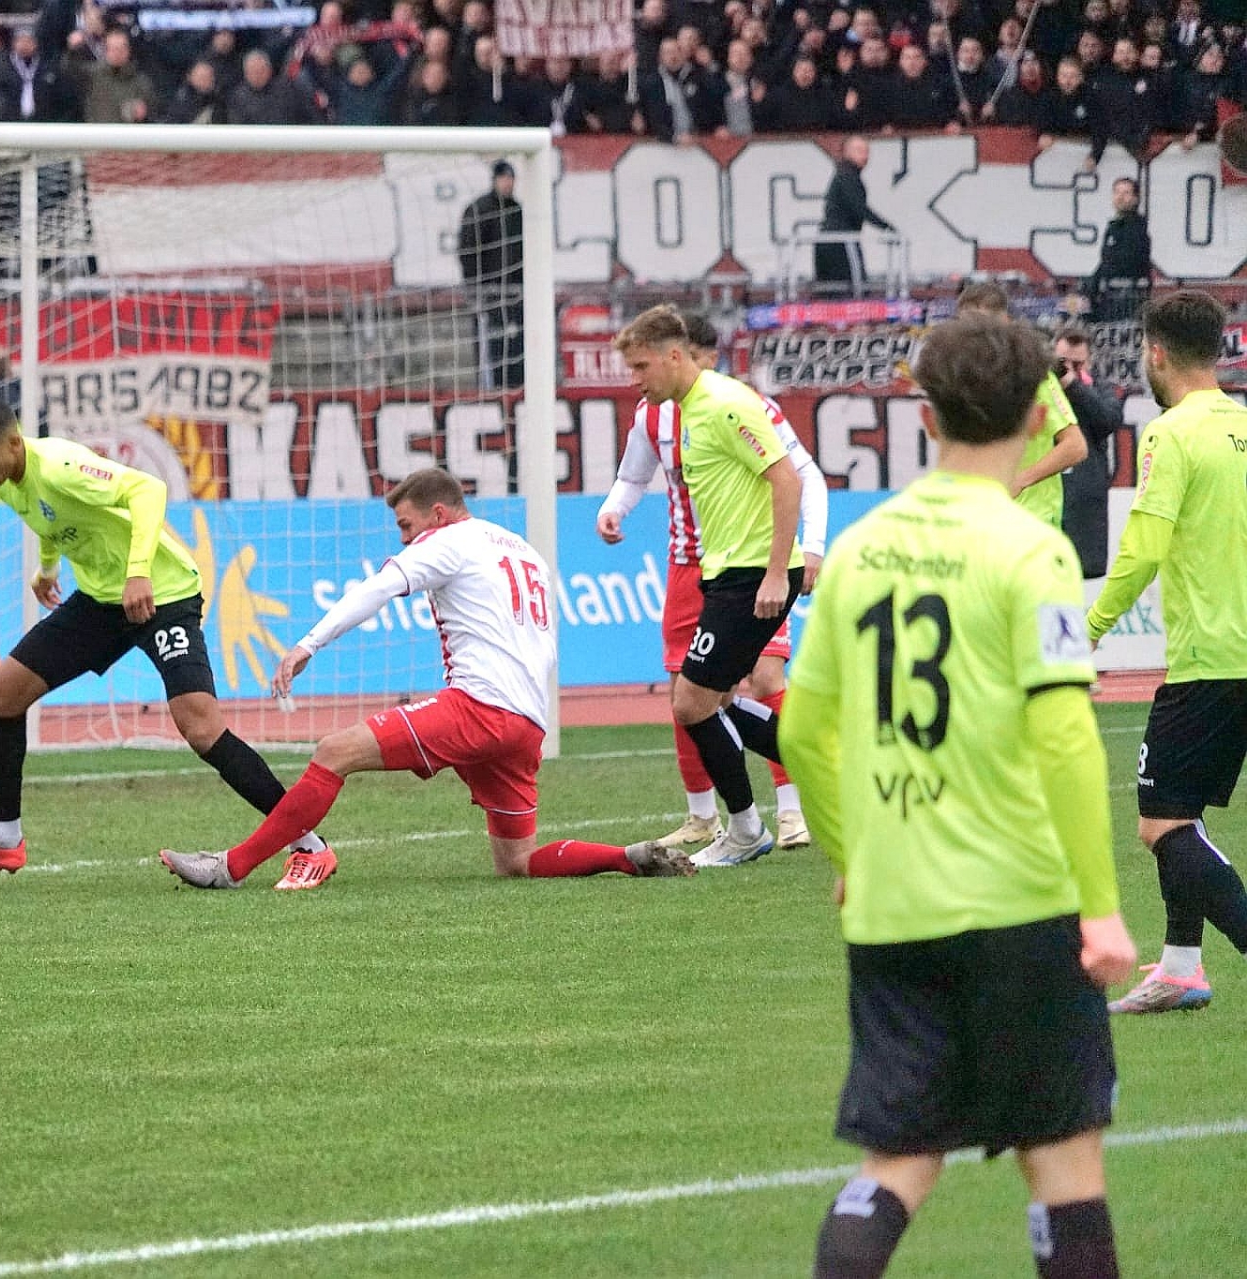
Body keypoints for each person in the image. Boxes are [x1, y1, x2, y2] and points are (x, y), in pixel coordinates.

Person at [781, 311, 1134, 1279]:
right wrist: (1100, 905)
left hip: (895, 907)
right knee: (1061, 1159)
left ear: (926, 415)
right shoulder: (1030, 549)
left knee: (897, 1160)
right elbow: (1064, 735)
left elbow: (803, 732)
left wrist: (854, 859)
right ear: (1038, 412)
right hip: (1020, 902)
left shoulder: (862, 547)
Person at [160, 467, 697, 891]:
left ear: (438, 514)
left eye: (406, 525)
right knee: (517, 861)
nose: (404, 538)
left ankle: (231, 867)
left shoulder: (447, 541)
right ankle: (625, 857)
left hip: (479, 708)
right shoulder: (521, 551)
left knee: (333, 751)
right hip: (528, 721)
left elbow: (375, 589)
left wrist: (308, 645)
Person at [0, 396, 329, 878]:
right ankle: (4, 839)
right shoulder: (6, 481)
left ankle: (309, 844)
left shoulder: (61, 466)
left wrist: (138, 573)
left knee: (201, 728)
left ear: (14, 443)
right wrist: (47, 569)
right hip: (101, 601)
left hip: (162, 593)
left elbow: (148, 489)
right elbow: (52, 519)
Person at [597, 311, 828, 857]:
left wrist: (779, 571)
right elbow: (634, 477)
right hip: (720, 574)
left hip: (751, 576)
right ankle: (827, 769)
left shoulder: (728, 404)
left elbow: (789, 478)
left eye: (641, 366)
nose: (633, 378)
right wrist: (614, 508)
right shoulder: (677, 411)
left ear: (675, 356)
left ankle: (748, 829)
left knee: (694, 703)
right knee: (713, 700)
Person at [1087, 290, 1247, 1014]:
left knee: (1161, 824)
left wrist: (1089, 628)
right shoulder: (1240, 426)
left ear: (1155, 352)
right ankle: (1182, 968)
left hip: (1212, 658)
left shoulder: (1170, 433)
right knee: (1182, 810)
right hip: (1229, 656)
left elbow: (1144, 547)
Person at [953, 283, 1088, 528]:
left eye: (979, 326)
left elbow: (1075, 447)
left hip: (1033, 518)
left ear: (1003, 322)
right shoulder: (969, 378)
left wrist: (1021, 480)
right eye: (966, 327)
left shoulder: (1033, 376)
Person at [1055, 326, 1121, 579]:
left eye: (1077, 364)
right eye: (1063, 363)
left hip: (1084, 507)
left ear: (1089, 362)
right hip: (1050, 499)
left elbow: (1108, 420)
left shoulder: (1100, 390)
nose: (1069, 370)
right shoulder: (1041, 391)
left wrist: (1074, 386)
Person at [457, 160, 523, 391]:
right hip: (489, 296)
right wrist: (476, 287)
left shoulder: (517, 210)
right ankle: (490, 393)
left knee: (516, 348)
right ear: (494, 180)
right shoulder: (479, 209)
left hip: (516, 296)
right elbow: (468, 251)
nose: (508, 183)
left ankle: (517, 392)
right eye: (504, 178)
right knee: (491, 349)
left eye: (511, 178)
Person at [815, 136, 894, 298]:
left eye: (867, 151)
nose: (865, 156)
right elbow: (858, 208)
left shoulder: (845, 175)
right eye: (859, 151)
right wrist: (886, 227)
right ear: (846, 152)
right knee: (855, 288)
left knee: (832, 292)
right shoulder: (847, 176)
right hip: (841, 241)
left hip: (832, 239)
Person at [1084, 177, 1151, 321]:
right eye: (1117, 192)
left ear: (1135, 199)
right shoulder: (1113, 227)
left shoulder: (1137, 228)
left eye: (1126, 193)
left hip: (1128, 297)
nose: (1120, 197)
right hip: (1109, 297)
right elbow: (1105, 262)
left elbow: (1128, 262)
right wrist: (1090, 287)